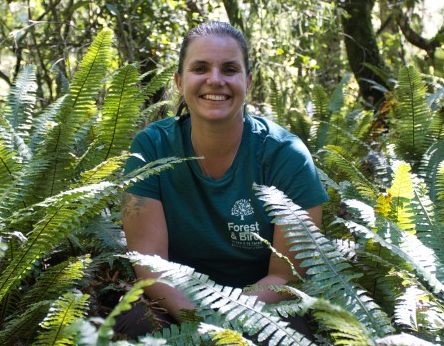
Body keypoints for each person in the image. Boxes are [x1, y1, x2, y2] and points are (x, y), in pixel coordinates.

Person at [117, 21, 328, 338]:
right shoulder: (151, 148)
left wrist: (227, 320)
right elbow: (151, 266)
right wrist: (199, 320)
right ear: (179, 81)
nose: (215, 80)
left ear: (248, 81)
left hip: (262, 306)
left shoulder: (286, 156)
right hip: (174, 301)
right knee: (135, 327)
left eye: (229, 69)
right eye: (200, 68)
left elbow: (286, 277)